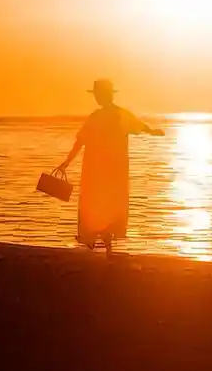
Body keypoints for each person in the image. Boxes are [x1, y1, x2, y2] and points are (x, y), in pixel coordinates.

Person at [58, 79, 164, 253]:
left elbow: (81, 141)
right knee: (111, 203)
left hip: (97, 170)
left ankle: (93, 243)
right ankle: (106, 246)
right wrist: (152, 131)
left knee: (94, 203)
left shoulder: (98, 117)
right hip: (115, 169)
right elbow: (139, 126)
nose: (96, 98)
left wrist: (67, 162)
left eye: (98, 95)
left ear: (103, 95)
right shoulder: (121, 114)